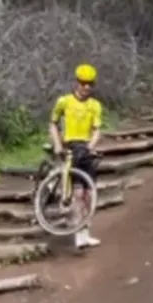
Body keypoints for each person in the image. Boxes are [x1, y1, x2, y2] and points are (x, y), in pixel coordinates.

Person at [49, 63, 104, 249]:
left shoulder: (95, 105)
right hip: (70, 146)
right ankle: (78, 233)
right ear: (76, 83)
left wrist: (91, 146)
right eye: (83, 83)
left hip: (86, 148)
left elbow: (97, 130)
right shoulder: (64, 101)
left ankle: (86, 232)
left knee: (89, 194)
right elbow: (53, 123)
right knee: (77, 193)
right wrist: (57, 144)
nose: (86, 87)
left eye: (90, 83)